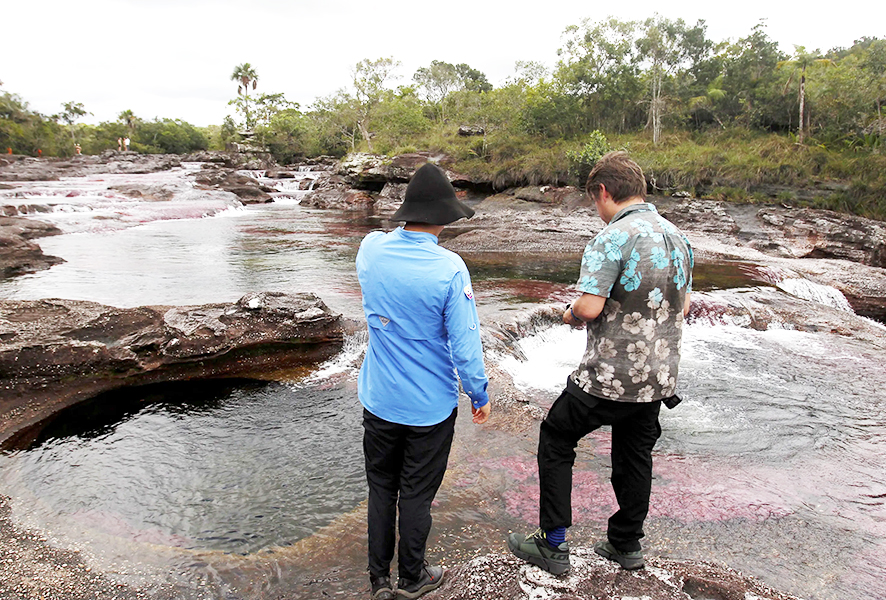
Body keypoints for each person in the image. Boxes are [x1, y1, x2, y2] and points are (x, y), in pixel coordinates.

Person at [508, 151, 693, 574]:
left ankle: (553, 543)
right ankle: (625, 544)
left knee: (556, 438)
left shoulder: (612, 237)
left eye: (595, 201)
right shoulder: (678, 237)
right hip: (656, 378)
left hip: (606, 376)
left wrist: (569, 313)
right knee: (634, 456)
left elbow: (589, 308)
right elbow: (683, 306)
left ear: (604, 192)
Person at [357, 163, 491, 600]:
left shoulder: (370, 251)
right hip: (429, 408)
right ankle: (412, 578)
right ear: (446, 216)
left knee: (381, 487)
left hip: (379, 400)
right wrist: (478, 393)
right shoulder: (450, 269)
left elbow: (377, 241)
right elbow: (465, 345)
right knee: (415, 493)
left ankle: (379, 579)